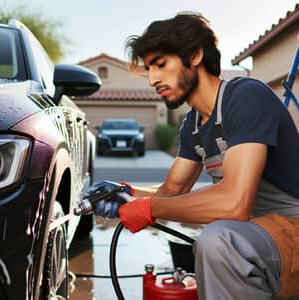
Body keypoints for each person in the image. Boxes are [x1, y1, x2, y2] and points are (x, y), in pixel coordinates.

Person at [92, 12, 299, 299]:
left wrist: (149, 208)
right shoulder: (192, 126)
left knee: (218, 241)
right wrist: (126, 193)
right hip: (260, 235)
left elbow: (234, 202)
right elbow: (171, 191)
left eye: (161, 64)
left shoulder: (246, 97)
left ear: (195, 54)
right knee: (219, 240)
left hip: (292, 229)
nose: (152, 79)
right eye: (149, 69)